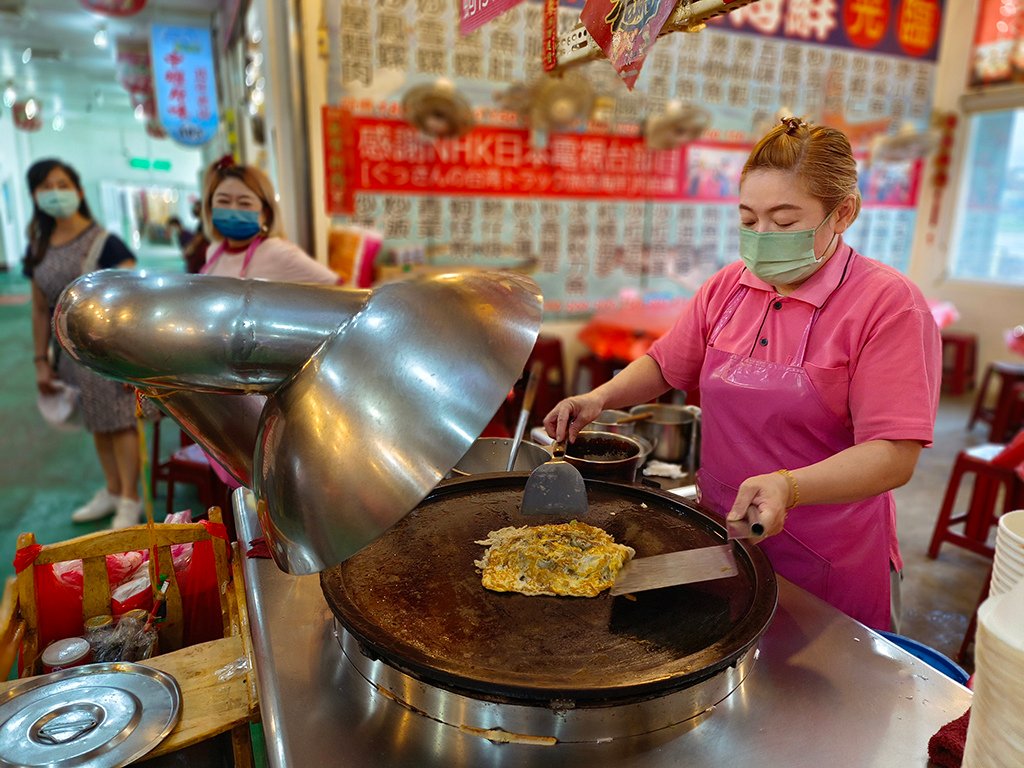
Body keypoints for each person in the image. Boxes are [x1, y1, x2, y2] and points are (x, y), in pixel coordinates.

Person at [544, 118, 941, 632]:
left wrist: (789, 487)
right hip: (726, 535)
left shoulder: (888, 305)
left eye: (783, 220)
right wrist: (600, 398)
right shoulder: (728, 287)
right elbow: (667, 365)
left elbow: (893, 454)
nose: (761, 238)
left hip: (827, 555)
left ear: (843, 213)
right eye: (749, 220)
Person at [23, 159, 144, 529]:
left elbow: (133, 299)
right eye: (46, 187)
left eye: (63, 184)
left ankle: (130, 499)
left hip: (109, 351)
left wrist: (133, 359)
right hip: (69, 354)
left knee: (121, 422)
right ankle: (111, 489)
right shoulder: (38, 248)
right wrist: (41, 361)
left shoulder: (106, 243)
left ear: (78, 191)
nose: (55, 193)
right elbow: (40, 309)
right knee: (96, 421)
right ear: (35, 196)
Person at [198, 156, 341, 284]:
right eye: (223, 201)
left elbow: (338, 288)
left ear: (265, 213)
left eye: (244, 203)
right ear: (209, 207)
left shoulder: (279, 252)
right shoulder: (214, 250)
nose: (233, 210)